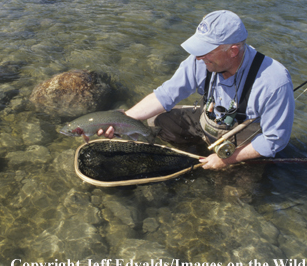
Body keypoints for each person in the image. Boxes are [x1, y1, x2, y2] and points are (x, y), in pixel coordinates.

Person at [99, 10, 295, 170]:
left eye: (205, 50)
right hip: (209, 122)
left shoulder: (274, 82)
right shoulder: (201, 60)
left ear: (233, 51)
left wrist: (226, 160)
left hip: (243, 142)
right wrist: (123, 118)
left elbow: (274, 140)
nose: (198, 57)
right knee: (156, 120)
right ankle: (196, 150)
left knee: (233, 199)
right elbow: (166, 95)